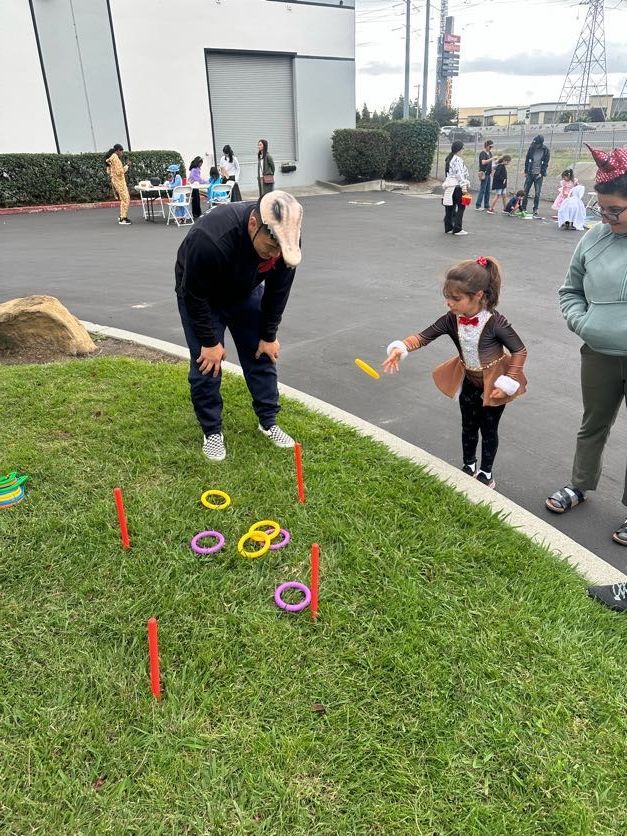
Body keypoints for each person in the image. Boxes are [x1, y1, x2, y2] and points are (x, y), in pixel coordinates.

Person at [546, 146, 627, 609]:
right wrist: (584, 323)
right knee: (593, 423)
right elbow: (570, 289)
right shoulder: (594, 239)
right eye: (602, 209)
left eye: (615, 210)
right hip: (598, 352)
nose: (607, 217)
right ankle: (579, 485)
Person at [175, 190, 304, 461]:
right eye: (271, 247)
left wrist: (268, 334)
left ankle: (268, 422)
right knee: (207, 364)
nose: (276, 255)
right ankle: (212, 431)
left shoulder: (286, 241)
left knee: (262, 352)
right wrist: (209, 342)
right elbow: (193, 295)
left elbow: (278, 292)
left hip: (245, 291)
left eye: (282, 249)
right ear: (254, 224)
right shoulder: (210, 239)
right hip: (202, 296)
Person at [382, 256, 527, 489]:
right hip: (468, 379)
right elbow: (424, 336)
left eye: (456, 298)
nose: (449, 303)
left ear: (478, 295)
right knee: (468, 425)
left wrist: (508, 381)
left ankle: (486, 472)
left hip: (493, 384)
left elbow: (519, 350)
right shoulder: (452, 319)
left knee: (489, 429)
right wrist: (402, 347)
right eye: (447, 297)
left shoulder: (495, 323)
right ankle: (468, 465)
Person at [442, 141, 471, 236]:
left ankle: (448, 228)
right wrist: (464, 187)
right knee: (461, 207)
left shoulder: (449, 158)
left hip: (449, 187)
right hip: (457, 187)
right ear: (459, 149)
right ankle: (458, 229)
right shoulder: (457, 159)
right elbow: (460, 174)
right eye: (463, 148)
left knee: (450, 208)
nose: (463, 150)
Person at [522, 134, 550, 216]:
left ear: (540, 143)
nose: (535, 145)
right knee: (525, 191)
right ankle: (523, 208)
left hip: (539, 175)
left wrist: (542, 173)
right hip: (530, 173)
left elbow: (546, 163)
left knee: (537, 193)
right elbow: (527, 160)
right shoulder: (531, 148)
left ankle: (535, 209)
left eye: (537, 144)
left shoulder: (545, 150)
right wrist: (526, 171)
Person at [105, 144, 132, 225]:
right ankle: (123, 219)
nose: (122, 153)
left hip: (117, 181)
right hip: (119, 182)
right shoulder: (115, 159)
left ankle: (122, 216)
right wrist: (127, 166)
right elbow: (119, 172)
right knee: (126, 199)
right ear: (118, 151)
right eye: (121, 151)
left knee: (124, 199)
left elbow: (108, 171)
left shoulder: (111, 158)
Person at [475, 140, 498, 211]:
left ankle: (486, 205)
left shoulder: (490, 153)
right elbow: (483, 162)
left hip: (488, 173)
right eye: (490, 147)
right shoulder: (483, 153)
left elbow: (491, 163)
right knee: (482, 189)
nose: (491, 148)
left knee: (488, 190)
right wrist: (492, 159)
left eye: (492, 147)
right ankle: (478, 205)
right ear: (486, 146)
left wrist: (495, 164)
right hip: (484, 173)